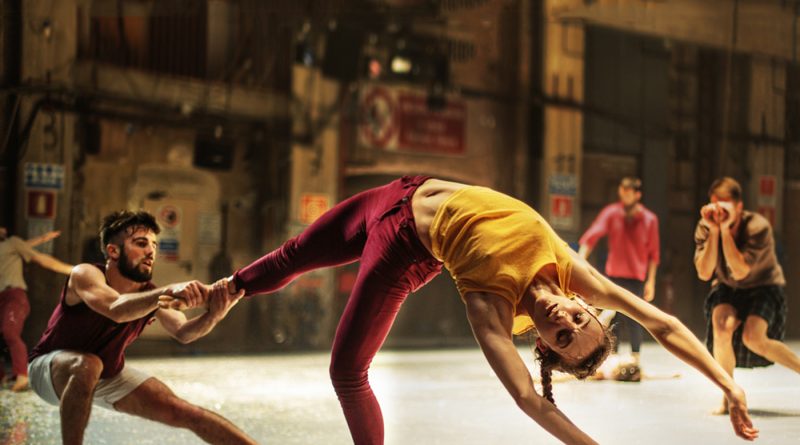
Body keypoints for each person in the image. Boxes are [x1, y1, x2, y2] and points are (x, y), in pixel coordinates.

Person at [166, 176, 757, 444]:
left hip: (403, 250)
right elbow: (664, 322)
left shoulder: (488, 308)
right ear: (584, 306)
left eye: (562, 337)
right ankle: (221, 298)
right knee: (293, 253)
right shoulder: (574, 271)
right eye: (581, 321)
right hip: (396, 192)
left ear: (545, 345)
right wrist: (727, 385)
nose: (567, 321)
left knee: (346, 371)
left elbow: (530, 399)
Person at [27, 211, 256, 445]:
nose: (151, 252)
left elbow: (184, 332)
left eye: (154, 245)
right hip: (48, 370)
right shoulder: (86, 274)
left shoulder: (149, 292)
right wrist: (169, 290)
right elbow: (116, 308)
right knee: (87, 365)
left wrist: (214, 315)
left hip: (105, 373)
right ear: (113, 251)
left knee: (185, 412)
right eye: (141, 243)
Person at [695, 176, 800, 414]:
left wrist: (725, 231)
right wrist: (714, 231)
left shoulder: (757, 226)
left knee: (754, 338)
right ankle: (729, 394)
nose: (718, 211)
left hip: (762, 286)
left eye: (725, 206)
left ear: (739, 206)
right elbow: (704, 272)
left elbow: (741, 270)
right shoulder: (705, 225)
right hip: (728, 286)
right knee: (721, 326)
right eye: (714, 205)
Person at [578, 177, 660, 375]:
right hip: (614, 275)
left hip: (636, 276)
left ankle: (635, 357)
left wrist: (651, 281)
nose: (624, 195)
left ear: (637, 194)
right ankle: (612, 357)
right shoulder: (612, 213)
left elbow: (654, 253)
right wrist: (579, 262)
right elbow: (591, 237)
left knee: (636, 318)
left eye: (629, 191)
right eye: (622, 191)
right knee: (612, 316)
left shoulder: (649, 219)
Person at [0, 226, 73, 392]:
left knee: (9, 332)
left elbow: (40, 258)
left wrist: (71, 269)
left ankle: (22, 375)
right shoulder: (9, 246)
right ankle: (2, 376)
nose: (3, 229)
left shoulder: (12, 243)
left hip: (13, 295)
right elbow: (26, 244)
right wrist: (43, 238)